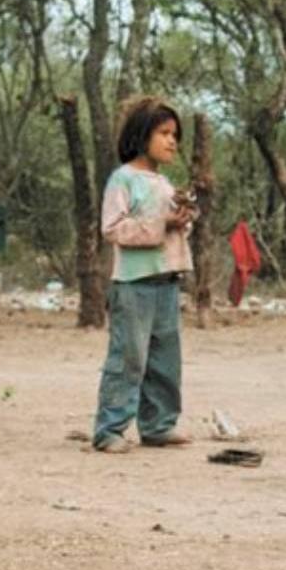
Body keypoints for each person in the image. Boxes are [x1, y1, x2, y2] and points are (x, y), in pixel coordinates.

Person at [92, 97, 195, 454]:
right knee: (129, 357)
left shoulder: (164, 184)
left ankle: (159, 424)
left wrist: (181, 220)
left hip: (166, 279)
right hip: (134, 284)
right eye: (164, 133)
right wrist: (160, 223)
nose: (172, 142)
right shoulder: (123, 180)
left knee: (165, 358)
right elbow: (113, 228)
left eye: (175, 135)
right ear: (142, 134)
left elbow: (169, 230)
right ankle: (110, 429)